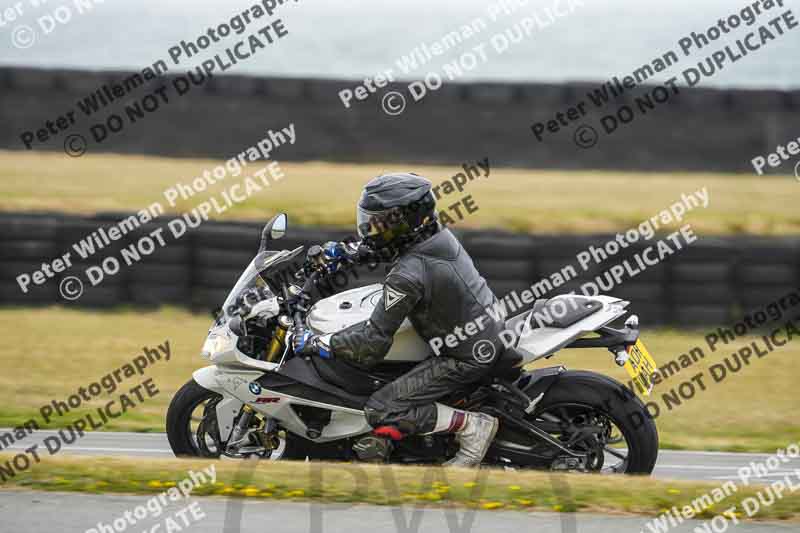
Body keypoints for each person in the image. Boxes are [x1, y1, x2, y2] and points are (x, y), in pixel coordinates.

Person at [293, 172, 504, 467]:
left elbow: (370, 344)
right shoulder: (434, 238)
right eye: (369, 220)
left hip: (464, 355)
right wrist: (346, 252)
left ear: (404, 222)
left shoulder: (408, 274)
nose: (370, 229)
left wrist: (316, 342)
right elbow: (391, 247)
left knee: (382, 408)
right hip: (477, 325)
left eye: (380, 223)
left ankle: (473, 427)